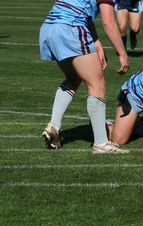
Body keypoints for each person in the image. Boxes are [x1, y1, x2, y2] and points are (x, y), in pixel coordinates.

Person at [40, 0, 129, 154]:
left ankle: (54, 125)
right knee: (97, 84)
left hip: (49, 27)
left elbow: (85, 14)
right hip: (70, 27)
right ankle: (101, 143)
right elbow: (108, 22)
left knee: (73, 78)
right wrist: (122, 53)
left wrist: (97, 43)